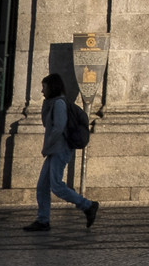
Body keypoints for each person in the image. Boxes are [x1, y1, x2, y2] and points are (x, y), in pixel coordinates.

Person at [24, 72, 97, 232]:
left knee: (56, 186)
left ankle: (88, 206)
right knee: (42, 186)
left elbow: (58, 127)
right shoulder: (52, 103)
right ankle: (43, 220)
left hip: (60, 149)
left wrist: (47, 146)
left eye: (44, 87)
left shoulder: (59, 104)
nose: (42, 91)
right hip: (54, 150)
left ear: (52, 87)